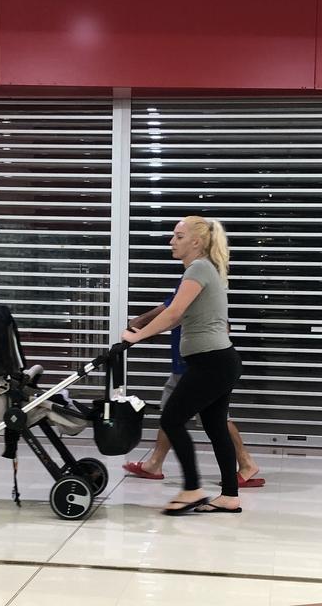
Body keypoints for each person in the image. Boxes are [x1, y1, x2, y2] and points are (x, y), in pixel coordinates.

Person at [121, 215, 243, 515]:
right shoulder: (200, 269)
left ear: (196, 242)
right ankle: (229, 495)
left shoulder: (199, 268)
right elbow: (174, 312)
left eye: (178, 236)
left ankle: (192, 489)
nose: (171, 241)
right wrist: (142, 329)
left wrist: (135, 337)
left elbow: (174, 313)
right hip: (218, 361)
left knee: (172, 419)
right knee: (215, 428)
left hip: (212, 363)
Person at [122, 288, 264, 488]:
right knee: (170, 412)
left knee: (214, 419)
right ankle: (155, 463)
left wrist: (140, 324)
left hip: (197, 362)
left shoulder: (197, 274)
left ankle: (241, 465)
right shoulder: (191, 275)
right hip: (185, 359)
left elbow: (172, 311)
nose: (173, 254)